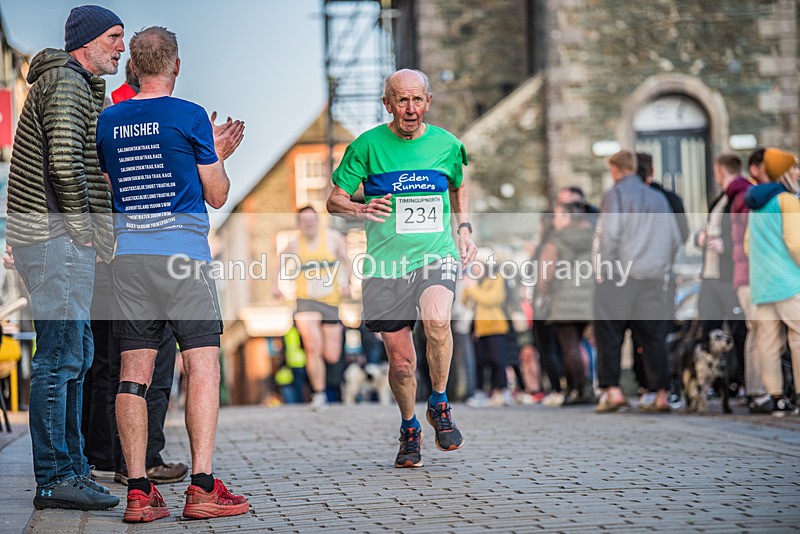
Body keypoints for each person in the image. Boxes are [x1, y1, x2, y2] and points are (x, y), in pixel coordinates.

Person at [96, 26, 248, 522]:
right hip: (183, 258)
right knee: (201, 365)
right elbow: (217, 194)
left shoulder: (108, 120)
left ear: (134, 67)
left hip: (129, 261)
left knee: (132, 375)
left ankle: (139, 491)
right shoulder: (190, 116)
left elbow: (110, 184)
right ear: (176, 65)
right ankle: (202, 487)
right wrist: (216, 155)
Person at [327, 68, 477, 468]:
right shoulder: (366, 146)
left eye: (417, 100)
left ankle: (439, 403)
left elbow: (459, 183)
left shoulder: (447, 144)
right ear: (387, 104)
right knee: (402, 363)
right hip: (385, 265)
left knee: (438, 319)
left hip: (435, 254)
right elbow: (334, 200)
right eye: (402, 100)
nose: (410, 109)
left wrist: (463, 228)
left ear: (428, 102)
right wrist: (361, 208)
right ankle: (410, 426)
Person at [7, 5, 123, 511]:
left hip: (58, 239)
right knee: (60, 357)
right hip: (57, 239)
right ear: (87, 41)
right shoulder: (66, 83)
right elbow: (64, 163)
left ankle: (73, 471)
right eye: (114, 36)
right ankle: (55, 479)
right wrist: (86, 231)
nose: (121, 47)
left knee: (76, 355)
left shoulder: (76, 84)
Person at [592, 150, 680, 413]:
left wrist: (604, 268)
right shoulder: (657, 197)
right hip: (652, 277)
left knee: (609, 333)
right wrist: (661, 266)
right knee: (653, 337)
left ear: (615, 169)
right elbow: (674, 239)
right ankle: (661, 394)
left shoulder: (615, 194)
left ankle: (613, 391)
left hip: (620, 274)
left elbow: (609, 234)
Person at [273, 206, 351, 411]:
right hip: (306, 300)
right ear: (299, 224)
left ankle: (324, 383)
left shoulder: (333, 238)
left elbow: (346, 260)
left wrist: (347, 283)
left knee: (331, 355)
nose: (309, 224)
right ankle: (319, 393)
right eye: (304, 221)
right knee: (312, 347)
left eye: (312, 220)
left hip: (331, 300)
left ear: (318, 220)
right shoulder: (294, 244)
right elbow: (278, 264)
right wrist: (275, 286)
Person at [744, 147, 800, 416]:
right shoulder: (787, 201)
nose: (797, 173)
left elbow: (747, 246)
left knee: (767, 343)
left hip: (762, 284)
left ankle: (776, 398)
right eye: (793, 169)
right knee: (797, 339)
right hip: (789, 281)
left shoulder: (754, 204)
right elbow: (795, 243)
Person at [695, 154, 747, 394]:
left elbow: (744, 233)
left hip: (729, 277)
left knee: (737, 330)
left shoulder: (741, 197)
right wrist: (701, 238)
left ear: (720, 170)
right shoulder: (719, 200)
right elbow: (710, 229)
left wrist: (725, 245)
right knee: (707, 328)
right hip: (710, 277)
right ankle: (711, 382)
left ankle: (741, 381)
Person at [536, 202, 595, 405]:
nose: (554, 220)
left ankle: (578, 387)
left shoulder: (556, 240)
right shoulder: (592, 237)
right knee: (579, 344)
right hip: (588, 300)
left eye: (558, 216)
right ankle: (582, 386)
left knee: (569, 346)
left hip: (563, 300)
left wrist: (544, 290)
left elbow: (545, 275)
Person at [729, 148, 768, 408]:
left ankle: (757, 391)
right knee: (762, 332)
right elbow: (748, 240)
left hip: (748, 274)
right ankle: (762, 392)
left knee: (757, 333)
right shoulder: (751, 196)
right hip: (755, 274)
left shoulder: (742, 196)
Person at [462, 262, 511, 407]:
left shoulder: (497, 278)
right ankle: (480, 392)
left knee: (498, 360)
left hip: (495, 326)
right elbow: (464, 301)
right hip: (479, 328)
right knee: (479, 362)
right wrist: (468, 287)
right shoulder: (476, 283)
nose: (475, 269)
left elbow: (492, 299)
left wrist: (472, 289)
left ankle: (502, 390)